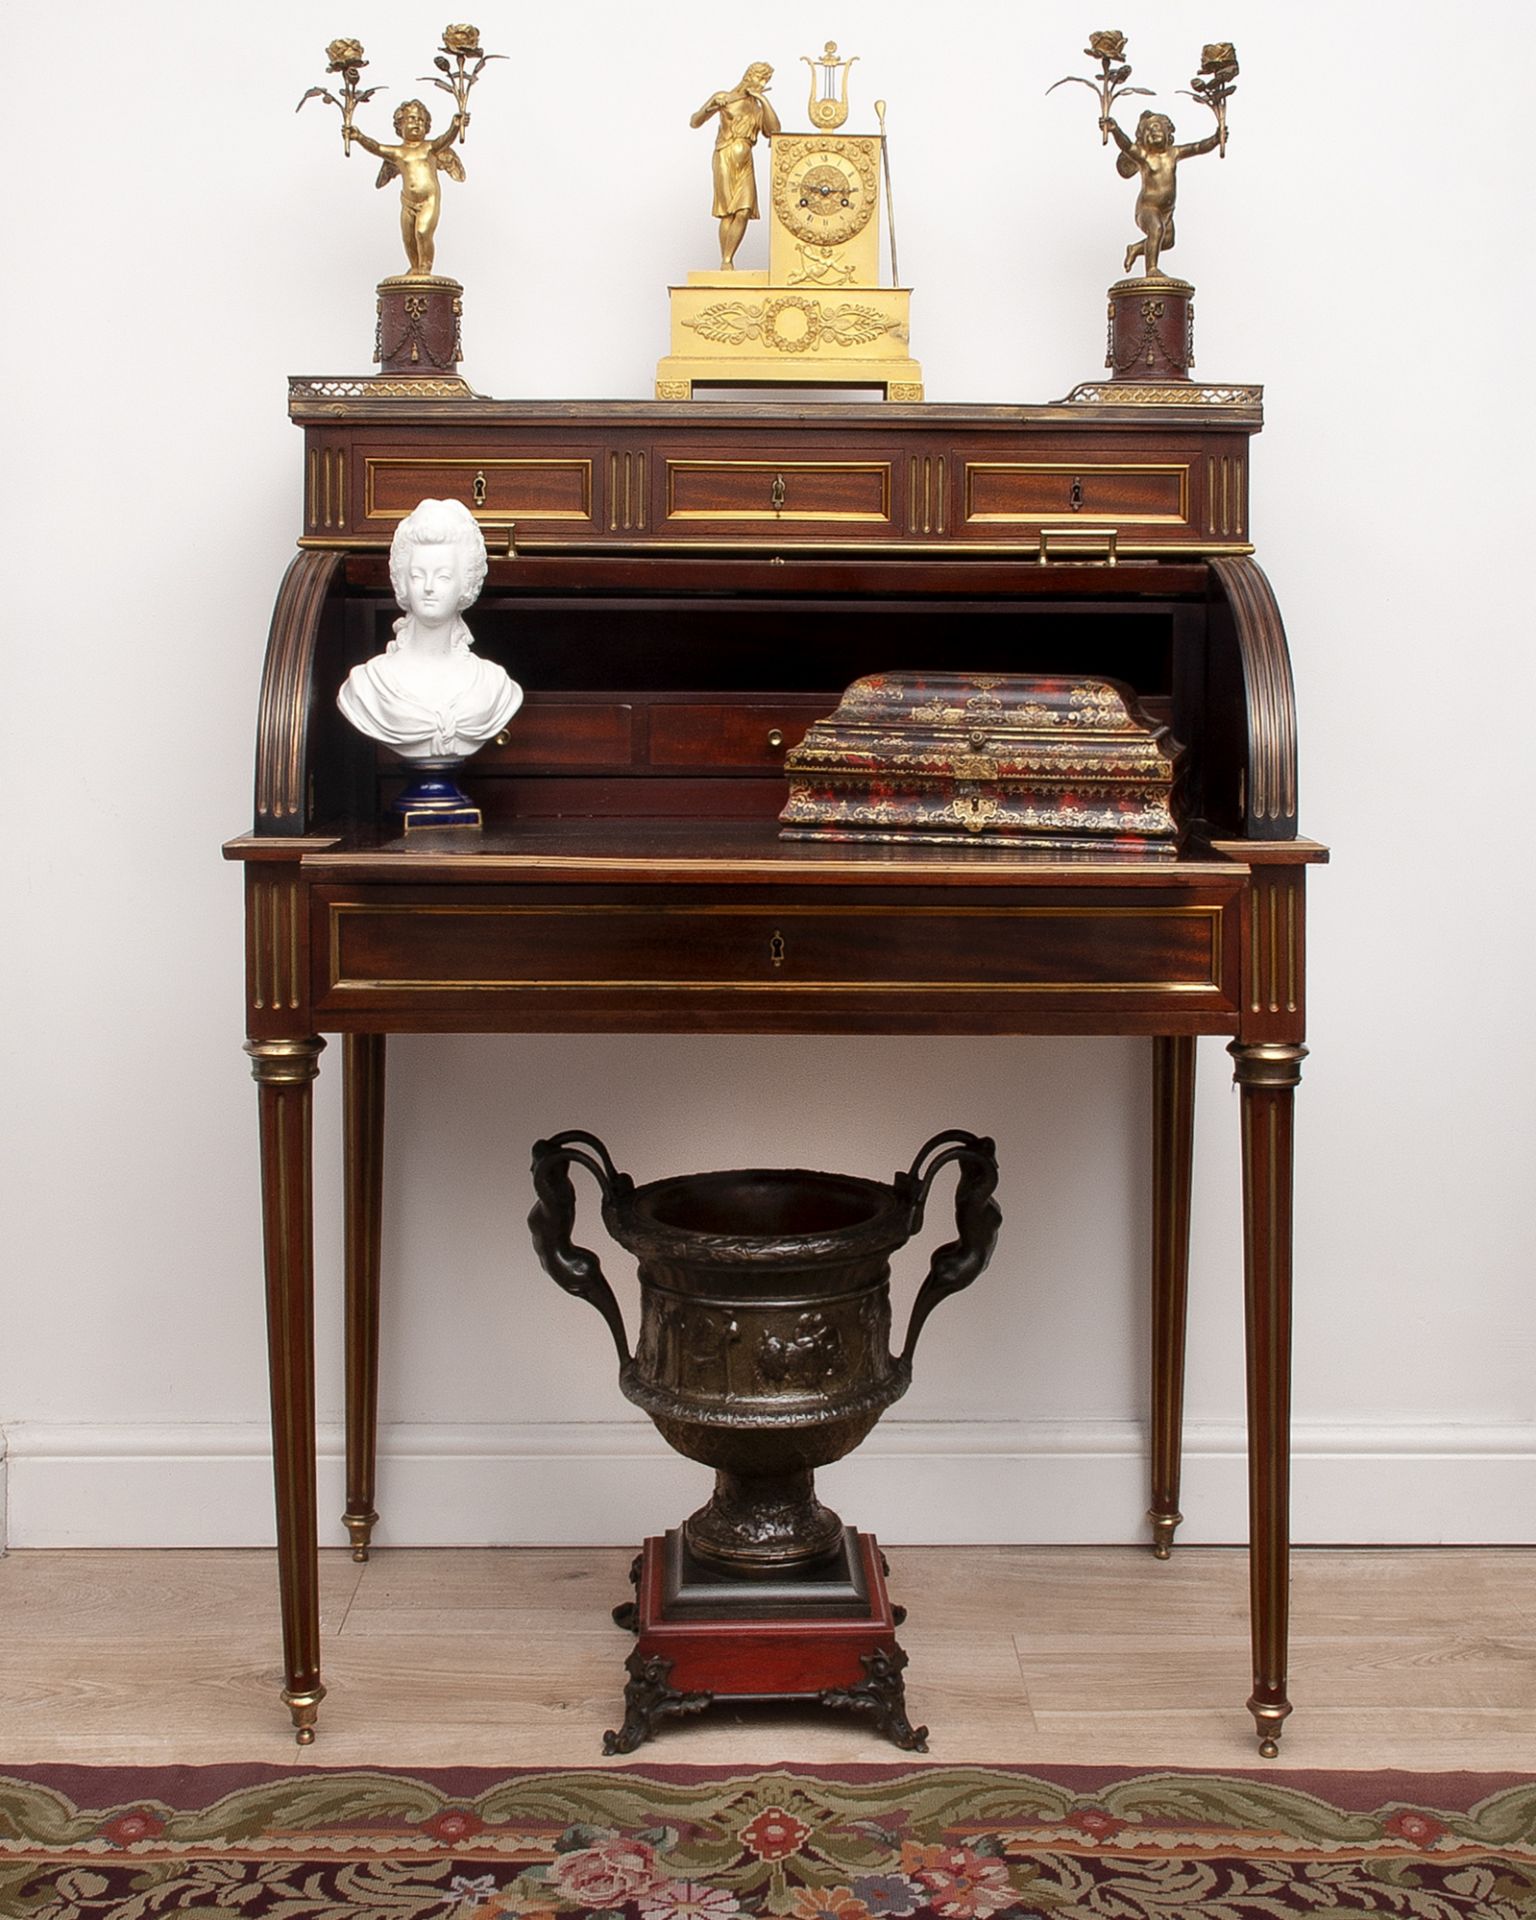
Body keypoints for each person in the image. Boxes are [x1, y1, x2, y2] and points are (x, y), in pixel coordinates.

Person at [337, 498, 521, 760]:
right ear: (402, 582)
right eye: (417, 575)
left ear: (465, 585)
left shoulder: (492, 685)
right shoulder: (368, 684)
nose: (429, 587)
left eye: (443, 576)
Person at [350, 99, 466, 277]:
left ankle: (425, 268)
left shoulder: (429, 148)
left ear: (427, 126)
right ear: (400, 125)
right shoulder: (398, 153)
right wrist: (358, 137)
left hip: (429, 200)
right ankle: (415, 268)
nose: (416, 123)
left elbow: (446, 139)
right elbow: (377, 148)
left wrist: (455, 126)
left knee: (422, 232)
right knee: (408, 238)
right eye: (411, 119)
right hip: (407, 201)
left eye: (420, 120)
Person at [1100, 110, 1220, 278]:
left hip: (1167, 212)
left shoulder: (1174, 153)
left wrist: (1215, 139)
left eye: (1155, 127)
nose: (1152, 133)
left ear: (1167, 131)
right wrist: (1115, 130)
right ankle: (1152, 269)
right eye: (1147, 131)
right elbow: (1127, 146)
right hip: (1147, 208)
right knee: (1156, 229)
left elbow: (1197, 147)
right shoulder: (1145, 157)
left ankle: (1135, 249)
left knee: (1168, 241)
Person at [690, 63, 781, 270]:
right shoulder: (726, 97)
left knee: (743, 210)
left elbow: (774, 130)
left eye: (765, 81)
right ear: (749, 76)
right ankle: (726, 261)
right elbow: (695, 121)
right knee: (727, 211)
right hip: (725, 155)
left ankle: (728, 258)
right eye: (760, 78)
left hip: (745, 159)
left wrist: (763, 99)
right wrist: (711, 105)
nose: (762, 83)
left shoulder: (758, 109)